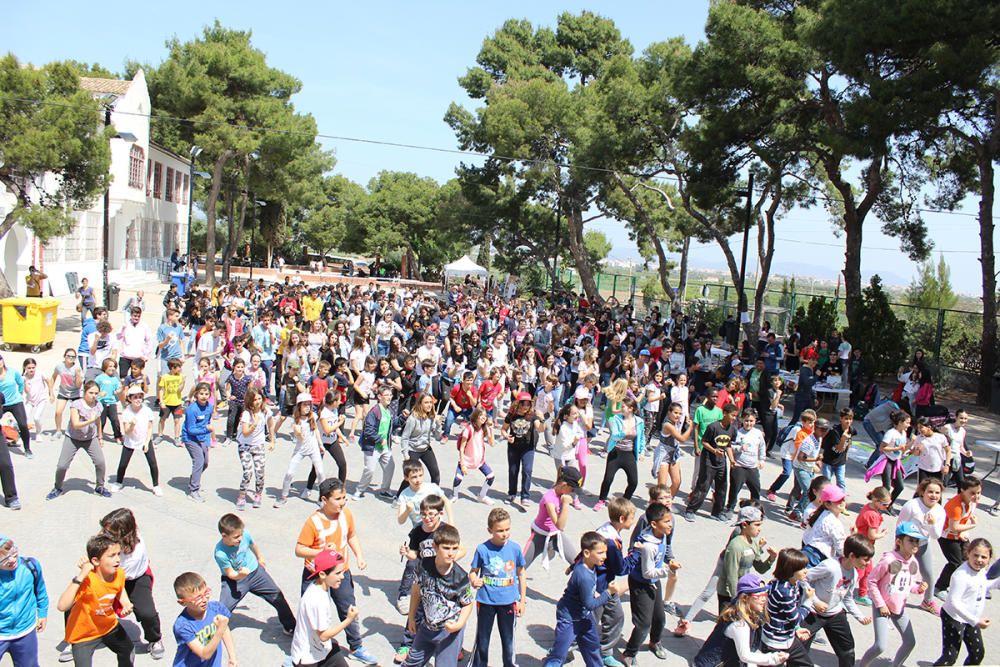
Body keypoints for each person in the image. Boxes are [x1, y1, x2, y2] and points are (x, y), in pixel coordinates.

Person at [294, 479, 378, 665]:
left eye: (344, 498)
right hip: (315, 576)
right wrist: (321, 552)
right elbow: (299, 549)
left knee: (347, 608)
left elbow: (351, 535)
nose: (342, 502)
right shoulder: (313, 522)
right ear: (324, 499)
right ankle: (302, 652)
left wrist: (359, 555)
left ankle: (356, 646)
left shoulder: (345, 514)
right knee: (309, 615)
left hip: (341, 572)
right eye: (338, 498)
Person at [542, 531, 619, 667]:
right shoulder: (583, 575)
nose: (605, 556)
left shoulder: (589, 565)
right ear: (587, 553)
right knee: (558, 656)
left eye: (605, 552)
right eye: (600, 553)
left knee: (592, 650)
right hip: (569, 619)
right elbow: (590, 604)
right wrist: (608, 593)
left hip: (584, 618)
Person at [402, 524, 475, 667]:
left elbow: (467, 603)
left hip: (449, 632)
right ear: (435, 547)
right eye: (446, 548)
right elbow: (416, 590)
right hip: (426, 627)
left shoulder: (459, 577)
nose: (451, 553)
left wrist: (458, 624)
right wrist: (411, 617)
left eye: (455, 548)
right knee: (410, 663)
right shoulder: (423, 566)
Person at [56, 533, 134, 666]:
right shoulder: (86, 580)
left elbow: (119, 589)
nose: (117, 559)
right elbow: (62, 606)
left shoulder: (118, 573)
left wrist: (126, 604)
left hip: (108, 626)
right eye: (111, 556)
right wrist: (81, 575)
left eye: (118, 554)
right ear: (96, 561)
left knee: (127, 650)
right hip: (83, 634)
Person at [214, 514, 296, 637]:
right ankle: (210, 634)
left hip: (256, 573)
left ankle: (290, 626)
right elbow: (230, 573)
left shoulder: (245, 534)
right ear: (224, 536)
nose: (240, 539)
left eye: (241, 534)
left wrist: (260, 557)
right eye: (236, 537)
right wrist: (240, 574)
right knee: (223, 610)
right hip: (235, 582)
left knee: (277, 596)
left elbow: (252, 545)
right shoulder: (220, 552)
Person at [859, 521, 927, 667]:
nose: (915, 544)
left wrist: (919, 588)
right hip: (882, 607)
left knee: (910, 642)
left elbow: (909, 585)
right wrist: (881, 605)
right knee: (880, 646)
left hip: (899, 608)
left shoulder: (913, 562)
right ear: (899, 541)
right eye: (911, 540)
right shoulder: (889, 560)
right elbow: (871, 581)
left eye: (917, 541)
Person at [99, 509, 164, 660]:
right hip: (107, 574)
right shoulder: (107, 538)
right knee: (79, 603)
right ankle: (76, 639)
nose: (103, 534)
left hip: (133, 580)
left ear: (123, 533)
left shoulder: (134, 553)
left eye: (109, 532)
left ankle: (154, 639)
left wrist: (124, 601)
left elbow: (118, 579)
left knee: (147, 613)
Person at [802, 534, 874, 667]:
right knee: (799, 650)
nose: (868, 563)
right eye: (865, 559)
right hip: (813, 613)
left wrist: (860, 617)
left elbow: (847, 597)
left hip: (835, 614)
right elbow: (803, 579)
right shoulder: (830, 566)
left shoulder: (854, 573)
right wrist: (815, 601)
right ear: (852, 556)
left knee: (848, 651)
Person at [468, 508, 527, 667]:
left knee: (508, 641)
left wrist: (522, 601)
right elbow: (473, 572)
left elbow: (521, 573)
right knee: (483, 640)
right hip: (486, 601)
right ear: (490, 530)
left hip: (508, 601)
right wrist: (474, 580)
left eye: (507, 529)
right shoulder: (482, 549)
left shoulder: (515, 548)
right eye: (499, 530)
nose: (504, 534)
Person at [622, 502, 676, 663]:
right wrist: (668, 569)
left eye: (670, 520)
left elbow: (665, 549)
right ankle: (629, 653)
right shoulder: (648, 546)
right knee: (643, 623)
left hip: (654, 581)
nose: (670, 524)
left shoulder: (663, 534)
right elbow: (647, 573)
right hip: (642, 584)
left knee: (659, 618)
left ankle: (655, 642)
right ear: (654, 524)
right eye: (666, 522)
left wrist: (670, 558)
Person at [934, 537, 998, 666]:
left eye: (983, 557)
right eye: (976, 555)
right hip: (954, 618)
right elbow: (953, 601)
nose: (979, 560)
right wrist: (976, 621)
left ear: (989, 558)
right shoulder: (961, 576)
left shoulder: (980, 571)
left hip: (970, 618)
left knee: (977, 654)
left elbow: (981, 585)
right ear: (968, 553)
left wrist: (997, 582)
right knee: (949, 658)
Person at [290, 549, 357, 667]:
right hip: (308, 658)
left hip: (322, 649)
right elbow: (324, 636)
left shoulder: (323, 585)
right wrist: (348, 620)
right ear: (322, 574)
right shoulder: (316, 599)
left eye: (342, 572)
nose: (342, 577)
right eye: (338, 573)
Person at [47, 381, 111, 500]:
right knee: (62, 465)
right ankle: (57, 487)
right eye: (91, 393)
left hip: (90, 438)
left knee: (100, 462)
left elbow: (98, 422)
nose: (93, 396)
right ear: (84, 392)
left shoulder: (98, 405)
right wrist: (90, 421)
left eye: (96, 393)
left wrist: (100, 437)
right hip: (72, 438)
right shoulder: (76, 404)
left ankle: (100, 486)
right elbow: (76, 424)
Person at [684, 402, 738, 522]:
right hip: (708, 460)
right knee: (703, 485)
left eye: (735, 416)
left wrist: (732, 460)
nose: (734, 418)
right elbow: (704, 442)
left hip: (721, 462)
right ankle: (691, 510)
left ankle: (717, 512)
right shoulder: (713, 427)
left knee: (722, 487)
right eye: (732, 415)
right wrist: (714, 450)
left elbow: (728, 445)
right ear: (725, 413)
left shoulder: (732, 429)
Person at [170, 572, 237, 667]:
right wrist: (220, 629)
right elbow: (204, 654)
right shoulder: (182, 625)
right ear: (182, 603)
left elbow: (225, 629)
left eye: (206, 593)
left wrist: (232, 658)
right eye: (198, 598)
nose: (204, 599)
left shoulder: (216, 608)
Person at [0, 534, 48, 665]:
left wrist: (42, 612)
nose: (12, 560)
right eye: (4, 560)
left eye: (14, 554)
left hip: (25, 632)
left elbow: (40, 590)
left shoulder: (30, 566)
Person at [760, 548, 813, 667]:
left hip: (788, 638)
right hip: (775, 642)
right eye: (802, 568)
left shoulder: (792, 583)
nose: (806, 571)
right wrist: (809, 601)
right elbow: (796, 618)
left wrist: (797, 628)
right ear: (791, 571)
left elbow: (789, 615)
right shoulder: (784, 592)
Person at [523, 467, 581, 570]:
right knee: (520, 566)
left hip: (555, 536)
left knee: (578, 563)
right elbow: (560, 525)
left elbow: (558, 529)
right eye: (572, 489)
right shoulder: (549, 499)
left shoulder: (562, 494)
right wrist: (566, 504)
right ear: (564, 485)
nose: (572, 493)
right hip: (539, 536)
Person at [595, 397, 647, 510]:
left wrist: (642, 451)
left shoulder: (639, 422)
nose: (621, 408)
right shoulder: (616, 419)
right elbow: (614, 435)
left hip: (629, 454)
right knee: (608, 478)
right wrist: (624, 433)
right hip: (616, 452)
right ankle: (601, 500)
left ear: (631, 409)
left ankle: (624, 501)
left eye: (623, 406)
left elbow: (642, 438)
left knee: (633, 481)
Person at [935, 476, 982, 598]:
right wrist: (972, 525)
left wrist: (965, 528)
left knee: (969, 559)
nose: (976, 496)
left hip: (959, 535)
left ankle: (964, 587)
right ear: (962, 490)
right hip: (947, 537)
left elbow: (965, 518)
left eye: (978, 492)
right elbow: (954, 527)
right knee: (955, 562)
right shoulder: (955, 506)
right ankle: (939, 587)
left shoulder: (971, 502)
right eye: (972, 493)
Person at [275, 393, 325, 507]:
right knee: (289, 472)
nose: (307, 407)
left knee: (321, 472)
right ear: (299, 406)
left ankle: (322, 499)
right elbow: (298, 435)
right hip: (300, 450)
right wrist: (297, 432)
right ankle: (283, 496)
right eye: (305, 405)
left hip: (313, 448)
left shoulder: (313, 416)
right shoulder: (296, 420)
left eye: (309, 404)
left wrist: (320, 445)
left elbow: (316, 430)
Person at [110, 385, 160, 495]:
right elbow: (127, 431)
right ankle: (118, 482)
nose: (138, 399)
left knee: (152, 463)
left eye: (139, 397)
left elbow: (150, 427)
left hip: (144, 439)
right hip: (130, 440)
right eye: (135, 397)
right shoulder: (127, 412)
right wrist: (132, 425)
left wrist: (147, 442)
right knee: (123, 463)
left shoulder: (147, 411)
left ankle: (156, 485)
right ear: (130, 399)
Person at [355, 386, 399, 500]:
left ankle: (384, 490)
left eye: (391, 395)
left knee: (390, 467)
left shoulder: (389, 410)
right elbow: (368, 430)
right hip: (372, 446)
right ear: (379, 397)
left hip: (385, 447)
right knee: (369, 469)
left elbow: (393, 424)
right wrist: (379, 439)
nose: (389, 397)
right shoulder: (374, 411)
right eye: (387, 395)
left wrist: (403, 418)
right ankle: (359, 490)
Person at [502, 391, 542, 506]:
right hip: (513, 447)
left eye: (528, 404)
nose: (525, 406)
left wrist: (543, 419)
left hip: (528, 447)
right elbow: (504, 429)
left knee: (527, 470)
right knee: (513, 471)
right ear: (517, 403)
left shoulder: (532, 415)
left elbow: (540, 429)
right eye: (523, 403)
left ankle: (525, 496)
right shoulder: (511, 415)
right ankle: (512, 493)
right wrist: (506, 437)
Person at [853, 486, 891, 605]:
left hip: (860, 543)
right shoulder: (873, 516)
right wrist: (883, 534)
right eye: (885, 504)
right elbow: (872, 535)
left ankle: (862, 594)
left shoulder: (867, 507)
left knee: (867, 572)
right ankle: (846, 594)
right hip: (864, 547)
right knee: (859, 573)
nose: (887, 507)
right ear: (876, 501)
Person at [450, 407, 496, 504]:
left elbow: (492, 444)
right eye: (481, 415)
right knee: (458, 478)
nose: (483, 417)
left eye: (485, 416)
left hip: (479, 460)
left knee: (491, 476)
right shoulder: (468, 429)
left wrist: (491, 430)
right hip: (466, 460)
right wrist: (462, 464)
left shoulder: (485, 428)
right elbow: (462, 448)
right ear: (476, 416)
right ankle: (454, 495)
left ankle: (482, 496)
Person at [727, 408, 766, 512]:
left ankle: (756, 510)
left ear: (755, 421)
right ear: (741, 420)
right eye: (746, 421)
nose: (749, 423)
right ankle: (730, 508)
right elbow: (730, 447)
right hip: (739, 466)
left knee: (756, 489)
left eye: (751, 421)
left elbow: (762, 447)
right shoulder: (737, 433)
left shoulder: (758, 433)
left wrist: (762, 460)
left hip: (752, 467)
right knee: (735, 489)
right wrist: (739, 448)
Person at [182, 382, 215, 503]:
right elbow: (191, 429)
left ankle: (193, 479)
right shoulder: (192, 409)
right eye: (201, 393)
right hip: (190, 438)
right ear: (196, 394)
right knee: (199, 461)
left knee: (205, 462)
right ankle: (193, 490)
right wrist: (206, 429)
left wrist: (208, 439)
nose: (204, 396)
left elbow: (207, 421)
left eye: (206, 394)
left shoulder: (210, 407)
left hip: (203, 438)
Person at [654, 401, 691, 498]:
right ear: (669, 412)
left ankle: (667, 501)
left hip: (674, 454)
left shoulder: (676, 423)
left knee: (677, 482)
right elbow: (682, 439)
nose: (678, 415)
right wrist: (691, 427)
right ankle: (657, 505)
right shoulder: (668, 425)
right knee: (662, 485)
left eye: (680, 413)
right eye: (675, 412)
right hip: (664, 454)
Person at [0, 354, 31, 461]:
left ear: (3, 361)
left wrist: (20, 393)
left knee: (23, 425)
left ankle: (27, 449)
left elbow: (20, 382)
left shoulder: (12, 372)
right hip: (1, 404)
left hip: (15, 402)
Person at [820, 408, 855, 492]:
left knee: (841, 482)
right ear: (841, 419)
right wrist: (843, 439)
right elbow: (838, 448)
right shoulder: (834, 431)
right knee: (826, 482)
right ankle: (824, 499)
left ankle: (840, 500)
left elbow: (849, 443)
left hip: (840, 462)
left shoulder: (851, 430)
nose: (848, 421)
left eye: (850, 419)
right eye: (846, 419)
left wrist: (846, 455)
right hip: (828, 460)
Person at [50, 349, 83, 436]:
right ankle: (58, 430)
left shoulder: (77, 368)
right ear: (65, 356)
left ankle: (75, 430)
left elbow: (78, 385)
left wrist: (78, 375)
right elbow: (53, 378)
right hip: (63, 392)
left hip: (75, 393)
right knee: (58, 412)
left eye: (73, 357)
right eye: (69, 356)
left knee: (76, 414)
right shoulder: (59, 366)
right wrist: (51, 392)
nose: (70, 358)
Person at [911, 417, 951, 483]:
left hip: (937, 468)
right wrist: (918, 449)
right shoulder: (919, 438)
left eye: (921, 427)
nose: (919, 430)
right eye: (918, 428)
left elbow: (948, 451)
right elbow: (915, 454)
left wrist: (947, 465)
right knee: (922, 490)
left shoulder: (940, 437)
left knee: (936, 488)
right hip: (923, 468)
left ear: (929, 427)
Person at [157, 358, 185, 444]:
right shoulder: (165, 377)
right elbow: (161, 389)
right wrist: (161, 401)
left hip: (177, 403)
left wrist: (183, 382)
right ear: (172, 367)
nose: (180, 369)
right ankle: (160, 435)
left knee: (177, 420)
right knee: (162, 419)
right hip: (166, 402)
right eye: (178, 367)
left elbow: (179, 390)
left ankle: (176, 437)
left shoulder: (180, 377)